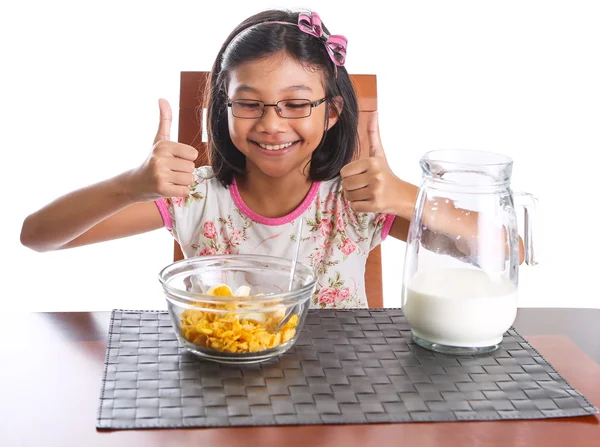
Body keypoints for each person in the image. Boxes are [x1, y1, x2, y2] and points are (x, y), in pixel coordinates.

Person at [20, 9, 521, 309]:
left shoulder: (358, 202)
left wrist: (410, 197)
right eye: (249, 103)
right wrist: (129, 185)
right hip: (221, 383)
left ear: (331, 113)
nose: (271, 124)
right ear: (225, 107)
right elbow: (38, 237)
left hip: (342, 394)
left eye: (297, 104)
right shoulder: (194, 195)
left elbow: (505, 253)